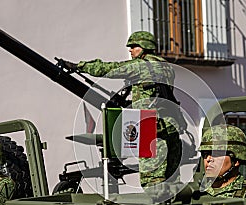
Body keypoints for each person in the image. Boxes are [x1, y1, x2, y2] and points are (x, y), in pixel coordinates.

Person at [61, 31, 183, 188]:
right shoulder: (167, 67)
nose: (130, 50)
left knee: (153, 180)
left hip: (150, 127)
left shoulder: (139, 66)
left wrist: (78, 66)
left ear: (144, 47)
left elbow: (108, 69)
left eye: (134, 46)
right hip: (171, 124)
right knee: (172, 177)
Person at [199, 124, 246, 198]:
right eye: (205, 154)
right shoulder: (194, 192)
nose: (208, 159)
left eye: (216, 154)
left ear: (236, 160)